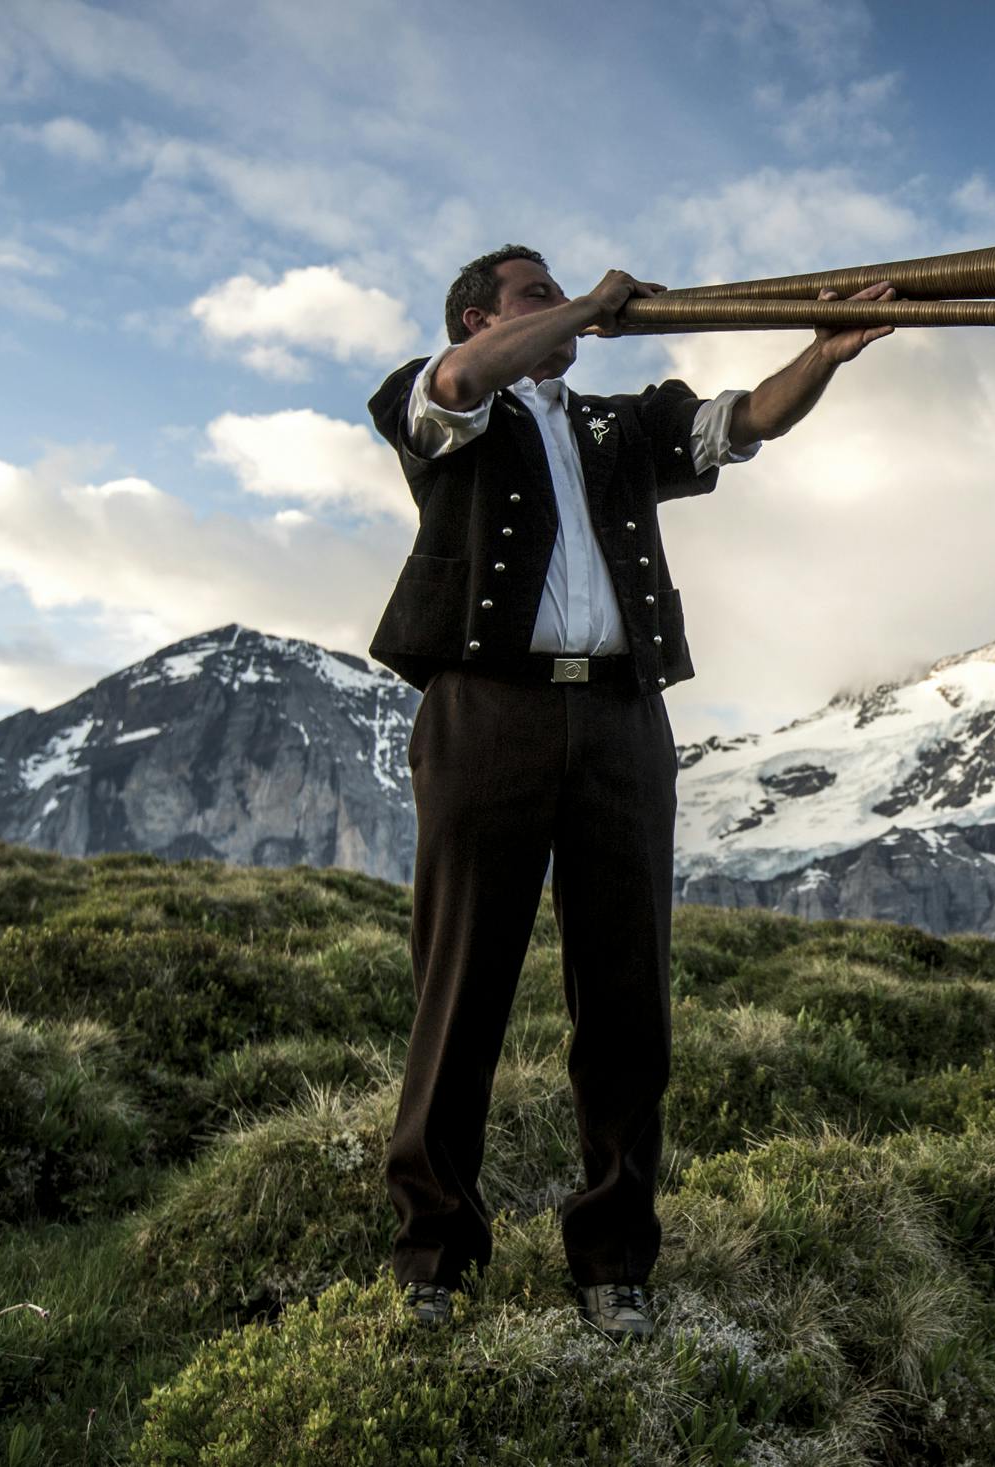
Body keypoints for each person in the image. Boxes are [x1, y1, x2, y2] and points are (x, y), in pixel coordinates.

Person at [364, 246, 892, 1339]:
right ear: (478, 318)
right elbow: (458, 385)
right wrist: (598, 303)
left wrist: (824, 354)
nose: (560, 309)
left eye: (561, 294)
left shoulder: (618, 424)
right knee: (461, 987)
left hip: (620, 716)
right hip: (487, 711)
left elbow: (744, 423)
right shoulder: (438, 397)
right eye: (534, 296)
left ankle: (614, 1262)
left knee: (626, 999)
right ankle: (433, 1258)